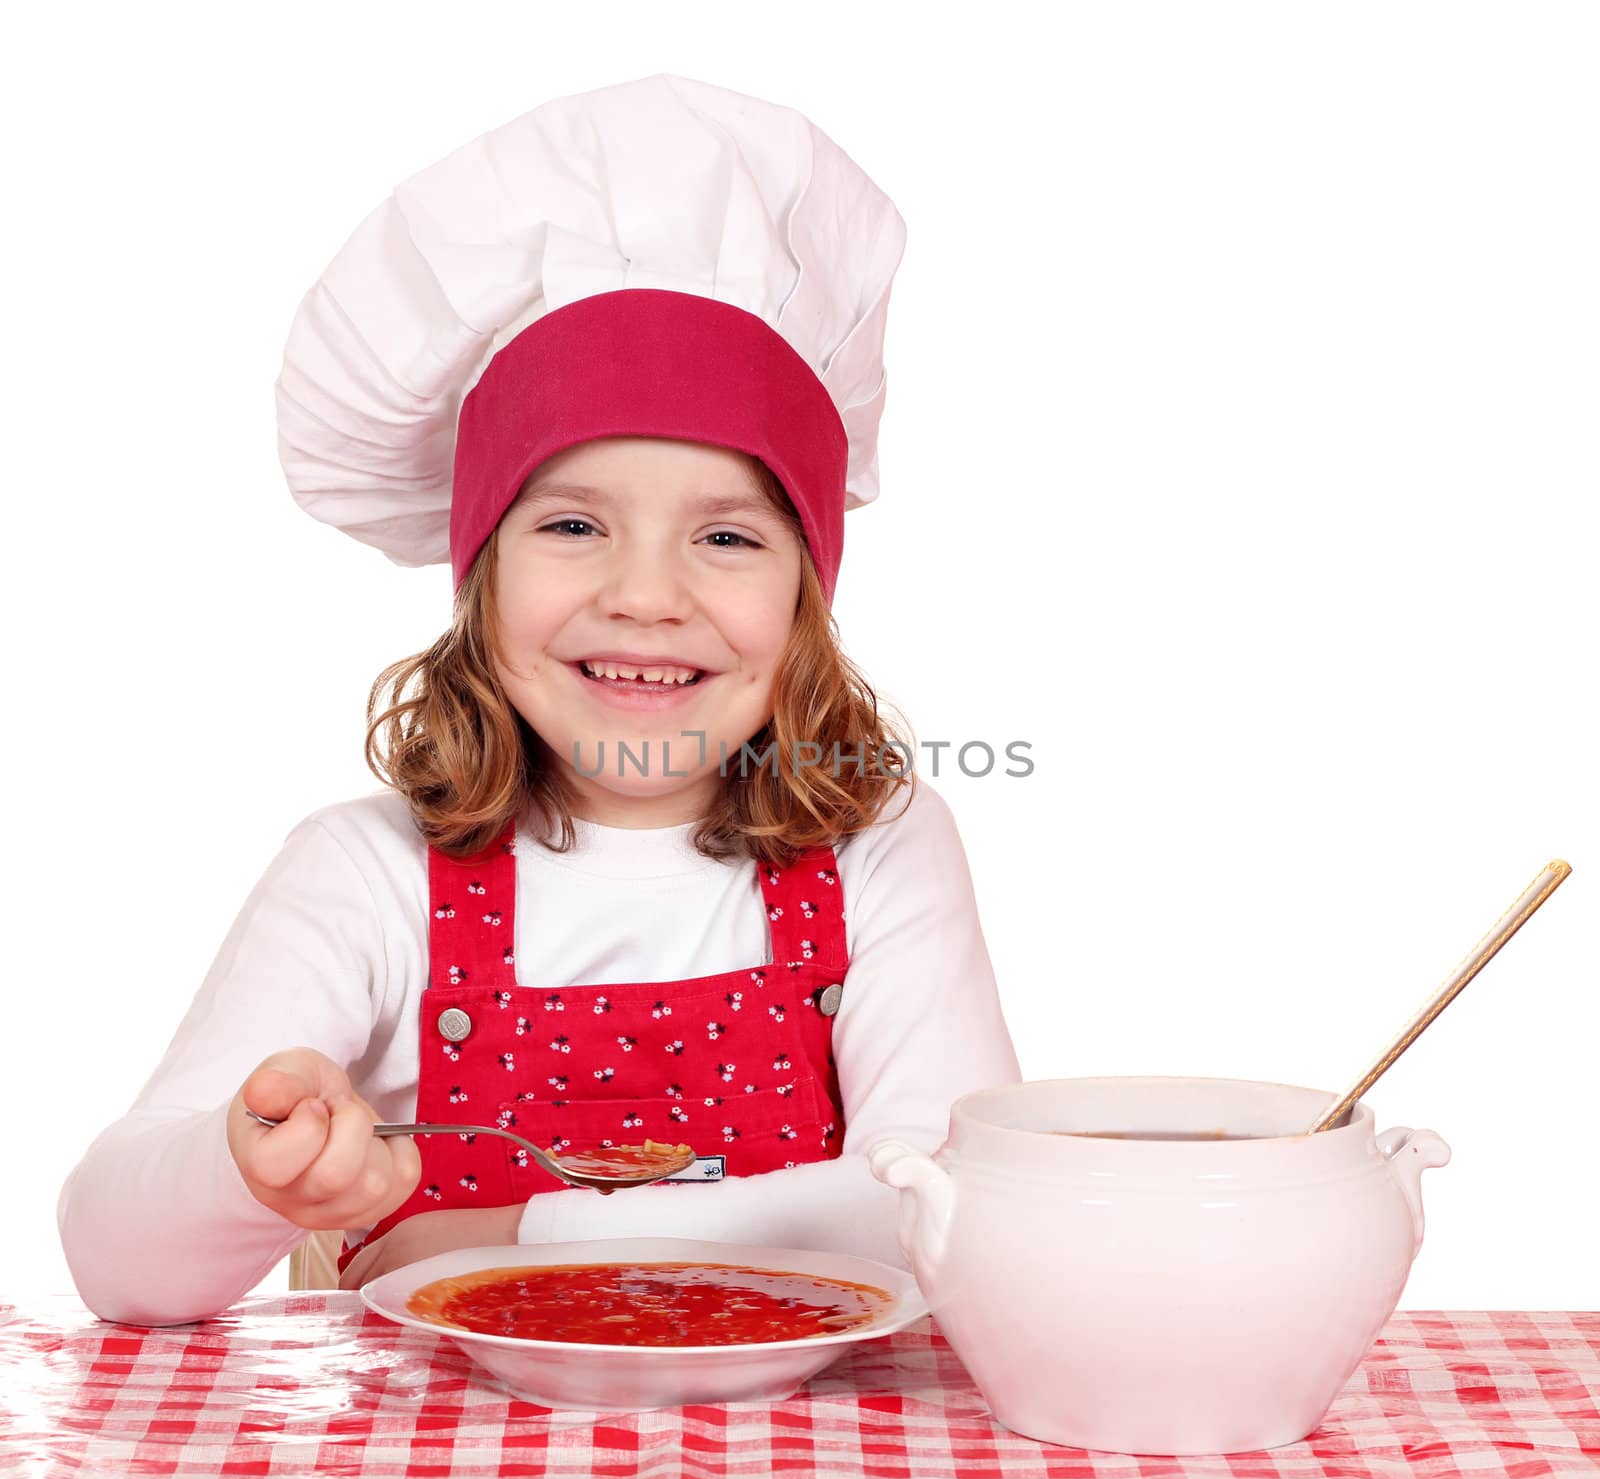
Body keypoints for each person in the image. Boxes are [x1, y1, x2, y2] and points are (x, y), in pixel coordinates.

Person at [57, 72, 1022, 1327]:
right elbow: (115, 1265)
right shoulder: (366, 873)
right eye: (573, 523)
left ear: (804, 597)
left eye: (727, 539)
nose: (644, 594)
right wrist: (249, 1169)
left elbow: (951, 1210)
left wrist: (489, 1232)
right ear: (480, 572)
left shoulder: (881, 848)